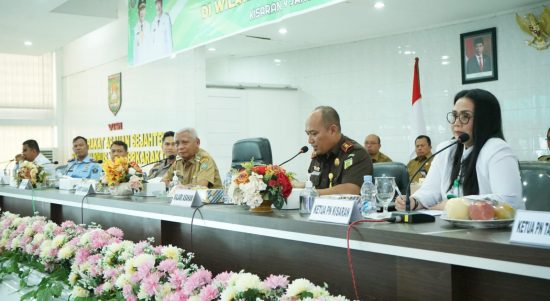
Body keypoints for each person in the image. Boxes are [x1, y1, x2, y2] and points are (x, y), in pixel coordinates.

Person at [396, 89, 524, 211]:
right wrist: (414, 201)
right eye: (455, 116)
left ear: (484, 120)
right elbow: (430, 190)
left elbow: (509, 200)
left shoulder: (497, 149)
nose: (456, 123)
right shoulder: (447, 149)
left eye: (465, 116)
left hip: (494, 231)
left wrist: (455, 204)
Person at [306, 106, 373, 195]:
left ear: (333, 130)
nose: (310, 140)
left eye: (314, 134)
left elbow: (351, 190)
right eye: (308, 134)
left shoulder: (356, 153)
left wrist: (311, 193)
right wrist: (294, 185)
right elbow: (312, 185)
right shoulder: (319, 155)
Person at [133, 0, 151, 65]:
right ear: (138, 11)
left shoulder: (148, 26)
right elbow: (135, 48)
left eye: (143, 9)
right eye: (140, 9)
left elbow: (150, 45)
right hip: (138, 62)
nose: (142, 12)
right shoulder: (135, 28)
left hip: (148, 60)